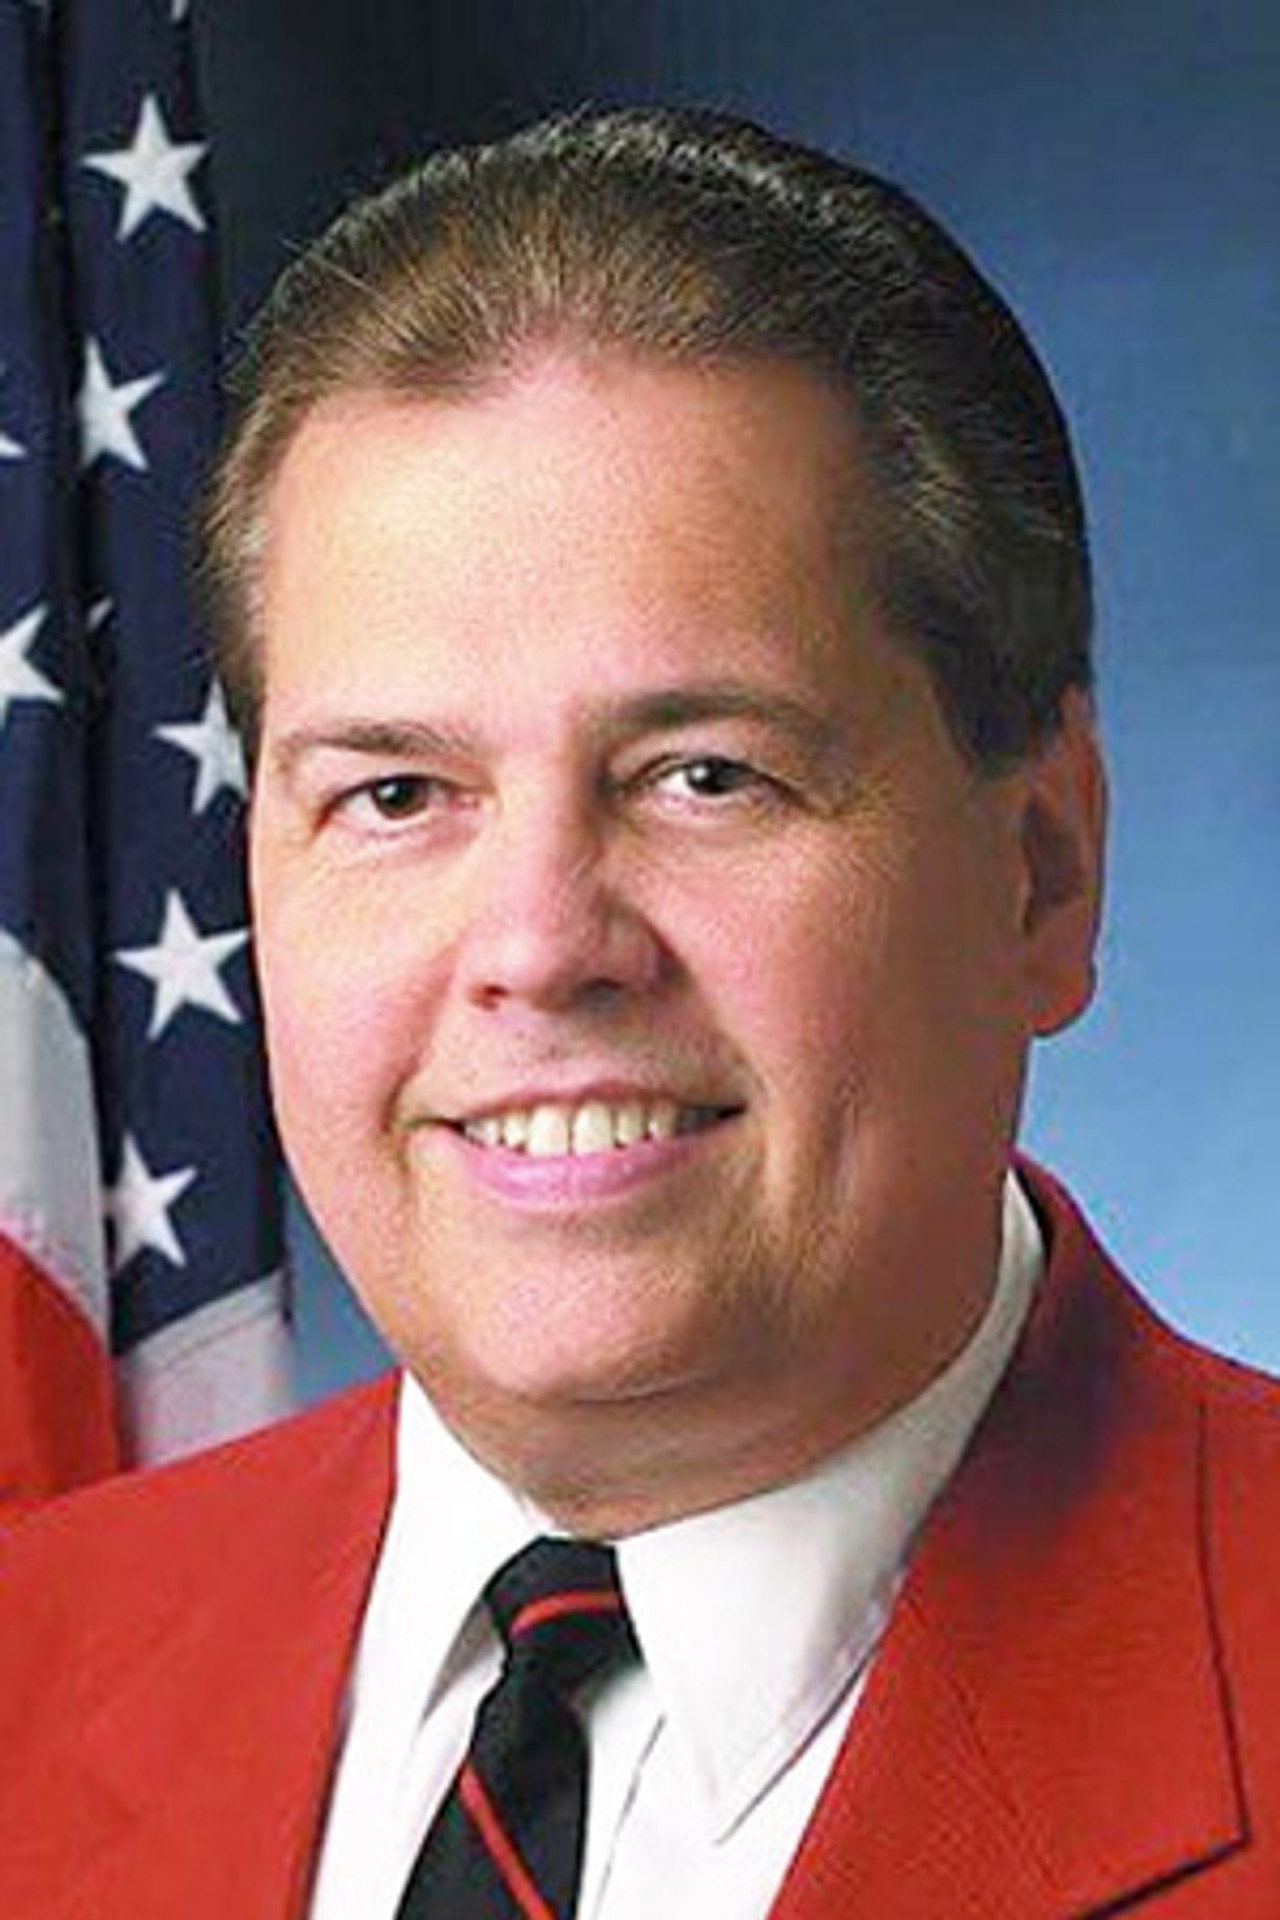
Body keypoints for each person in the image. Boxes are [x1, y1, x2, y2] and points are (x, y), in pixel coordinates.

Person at [2, 105, 1278, 1919]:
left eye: (705, 775)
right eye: (395, 794)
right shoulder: (30, 1665)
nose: (541, 947)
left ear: (1041, 873)